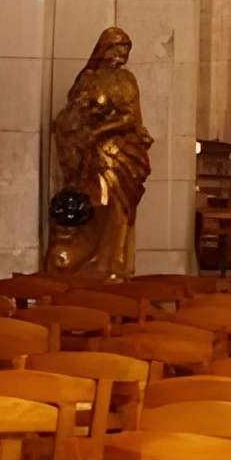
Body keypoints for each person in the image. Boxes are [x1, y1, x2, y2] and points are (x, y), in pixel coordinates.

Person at [45, 28, 152, 278]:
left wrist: (100, 132)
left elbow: (131, 118)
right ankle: (86, 263)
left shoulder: (126, 80)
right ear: (104, 50)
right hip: (89, 157)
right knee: (92, 206)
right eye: (117, 48)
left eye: (126, 49)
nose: (122, 55)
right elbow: (73, 113)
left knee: (116, 206)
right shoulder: (87, 79)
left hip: (118, 154)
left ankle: (114, 264)